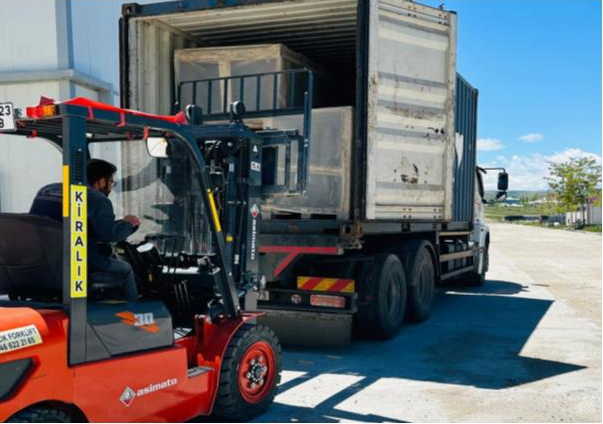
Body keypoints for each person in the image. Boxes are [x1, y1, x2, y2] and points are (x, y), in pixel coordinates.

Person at [30, 159, 140, 302]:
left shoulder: (47, 190)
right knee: (125, 269)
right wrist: (129, 224)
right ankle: (134, 311)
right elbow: (111, 235)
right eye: (111, 182)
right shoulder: (96, 198)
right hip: (77, 259)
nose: (110, 188)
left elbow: (65, 220)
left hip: (42, 259)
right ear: (102, 182)